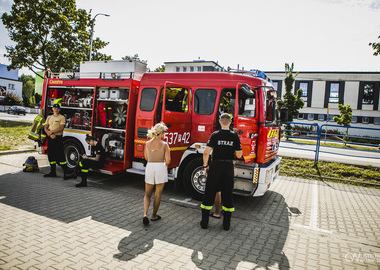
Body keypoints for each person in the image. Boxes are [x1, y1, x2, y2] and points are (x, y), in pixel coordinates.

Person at [200, 113, 242, 230]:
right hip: (228, 167)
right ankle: (226, 225)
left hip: (215, 166)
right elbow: (239, 154)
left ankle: (204, 223)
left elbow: (206, 152)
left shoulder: (215, 135)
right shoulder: (235, 136)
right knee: (227, 194)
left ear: (219, 121)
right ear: (230, 122)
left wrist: (205, 166)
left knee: (209, 193)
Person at [143, 122, 170, 226]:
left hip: (150, 167)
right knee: (157, 194)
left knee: (147, 194)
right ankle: (154, 215)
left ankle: (145, 214)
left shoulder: (147, 143)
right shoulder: (164, 145)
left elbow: (146, 157)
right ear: (161, 133)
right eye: (164, 133)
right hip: (160, 168)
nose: (165, 135)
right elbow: (168, 161)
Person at [43, 99, 70, 179]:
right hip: (50, 138)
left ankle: (66, 172)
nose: (56, 109)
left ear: (59, 109)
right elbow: (45, 127)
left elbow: (61, 128)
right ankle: (52, 172)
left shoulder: (61, 117)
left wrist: (51, 132)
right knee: (51, 155)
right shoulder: (49, 117)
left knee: (60, 155)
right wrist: (49, 132)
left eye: (57, 108)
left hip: (58, 138)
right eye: (55, 108)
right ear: (52, 109)